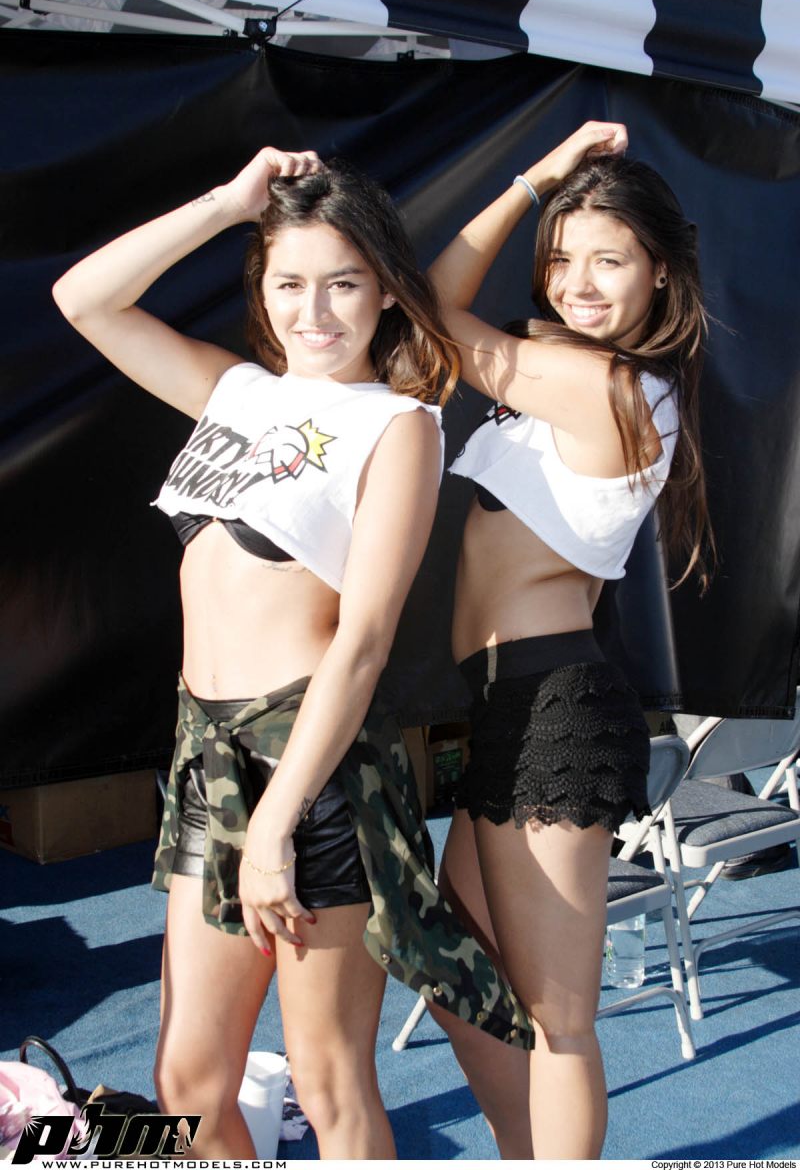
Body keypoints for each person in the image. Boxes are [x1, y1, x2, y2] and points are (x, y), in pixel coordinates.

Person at [51, 147, 515, 1159]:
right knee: (187, 1082)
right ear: (261, 289)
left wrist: (274, 823)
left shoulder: (397, 426)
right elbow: (83, 299)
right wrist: (226, 204)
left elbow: (364, 641)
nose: (315, 311)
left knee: (328, 1081)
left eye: (343, 283)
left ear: (386, 292)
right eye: (289, 282)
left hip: (314, 769)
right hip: (205, 756)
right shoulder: (235, 391)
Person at [425, 121, 714, 1159]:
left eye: (608, 261)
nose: (577, 283)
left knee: (559, 1020)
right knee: (452, 967)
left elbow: (428, 307)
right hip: (511, 703)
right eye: (560, 258)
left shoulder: (605, 387)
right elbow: (437, 313)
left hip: (552, 706)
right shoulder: (571, 366)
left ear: (658, 271)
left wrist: (530, 182)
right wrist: (537, 188)